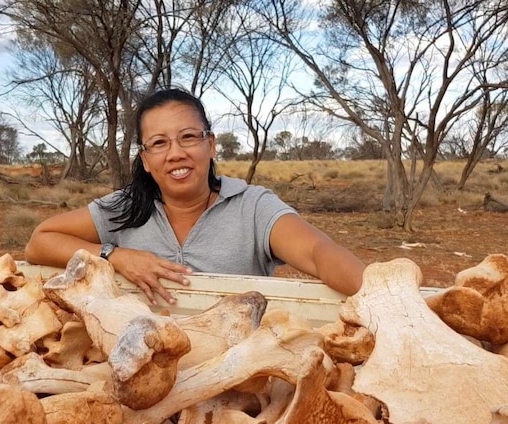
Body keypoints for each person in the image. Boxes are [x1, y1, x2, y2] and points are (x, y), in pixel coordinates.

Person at [25, 87, 365, 304]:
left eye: (188, 137)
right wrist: (117, 256)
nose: (175, 154)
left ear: (211, 144)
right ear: (145, 159)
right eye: (159, 143)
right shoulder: (127, 208)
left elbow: (320, 252)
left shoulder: (253, 207)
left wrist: (388, 295)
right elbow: (40, 241)